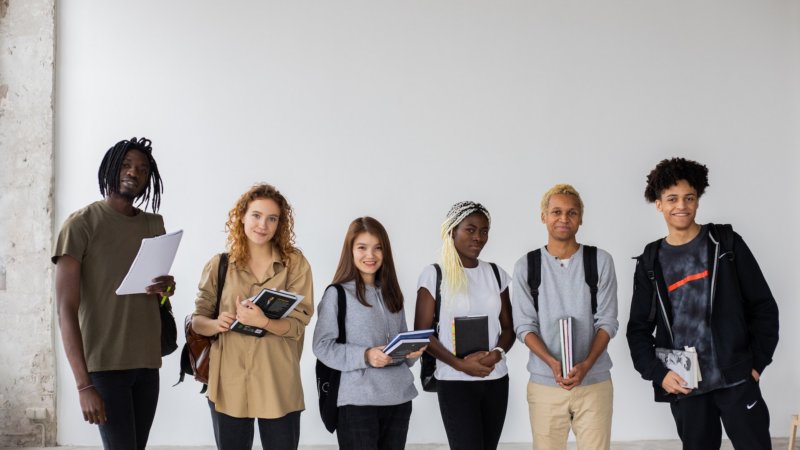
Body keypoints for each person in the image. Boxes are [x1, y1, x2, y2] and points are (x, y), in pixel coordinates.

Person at [627, 157, 779, 450]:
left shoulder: (725, 242)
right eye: (671, 199)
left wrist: (757, 364)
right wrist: (658, 374)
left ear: (697, 201)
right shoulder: (650, 261)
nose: (680, 205)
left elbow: (763, 307)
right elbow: (638, 330)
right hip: (687, 387)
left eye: (689, 198)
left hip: (736, 380)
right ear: (659, 204)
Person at [53, 137, 176, 450]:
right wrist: (83, 385)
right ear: (110, 167)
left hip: (147, 363)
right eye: (126, 164)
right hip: (105, 365)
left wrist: (166, 289)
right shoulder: (81, 224)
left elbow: (160, 296)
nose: (134, 172)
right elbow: (66, 308)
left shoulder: (154, 224)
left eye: (142, 169)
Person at [191, 183, 313, 450]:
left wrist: (265, 322)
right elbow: (197, 319)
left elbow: (299, 324)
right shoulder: (219, 265)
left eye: (272, 218)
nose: (263, 225)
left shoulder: (295, 264)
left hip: (278, 381)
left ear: (279, 224)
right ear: (242, 216)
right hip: (228, 383)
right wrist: (215, 323)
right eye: (256, 215)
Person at [511, 184, 619, 450]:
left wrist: (587, 364)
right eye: (556, 211)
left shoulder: (600, 260)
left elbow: (607, 321)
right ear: (543, 216)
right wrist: (551, 363)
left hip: (594, 382)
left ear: (581, 218)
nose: (563, 218)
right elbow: (524, 326)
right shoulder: (527, 266)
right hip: (545, 385)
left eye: (572, 213)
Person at [313, 217, 426, 450]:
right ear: (350, 251)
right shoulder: (337, 294)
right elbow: (322, 346)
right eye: (362, 247)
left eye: (377, 248)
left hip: (399, 399)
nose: (370, 255)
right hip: (357, 404)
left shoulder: (392, 293)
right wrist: (365, 355)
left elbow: (400, 348)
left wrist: (412, 354)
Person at [413, 201, 515, 450]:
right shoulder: (434, 274)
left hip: (495, 378)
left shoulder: (496, 273)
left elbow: (509, 328)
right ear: (452, 231)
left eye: (484, 231)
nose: (478, 237)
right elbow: (421, 334)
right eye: (470, 229)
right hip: (454, 381)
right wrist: (460, 364)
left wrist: (496, 355)